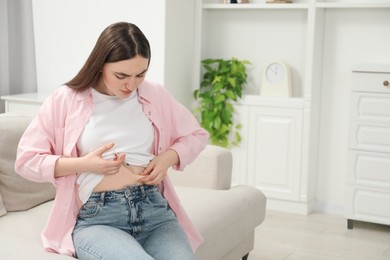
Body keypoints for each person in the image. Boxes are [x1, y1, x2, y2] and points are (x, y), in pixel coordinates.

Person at [15, 22, 209, 260]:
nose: (131, 84)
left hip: (155, 211)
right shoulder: (65, 99)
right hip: (100, 219)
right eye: (121, 76)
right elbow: (26, 160)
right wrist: (85, 164)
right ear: (100, 66)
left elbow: (196, 135)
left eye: (141, 74)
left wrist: (167, 158)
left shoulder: (153, 93)